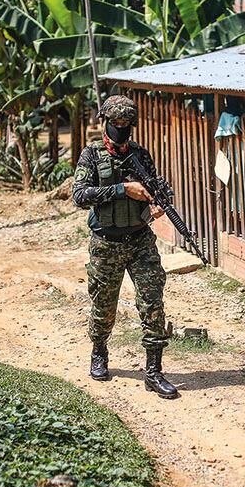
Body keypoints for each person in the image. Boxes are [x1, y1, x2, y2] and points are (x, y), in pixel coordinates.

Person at [71, 95, 179, 399]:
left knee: (153, 303)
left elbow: (155, 188)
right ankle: (99, 351)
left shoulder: (140, 155)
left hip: (140, 241)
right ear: (106, 121)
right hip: (106, 243)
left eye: (126, 122)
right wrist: (123, 189)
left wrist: (157, 204)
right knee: (104, 305)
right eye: (116, 122)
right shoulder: (91, 155)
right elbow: (79, 195)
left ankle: (154, 371)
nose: (121, 127)